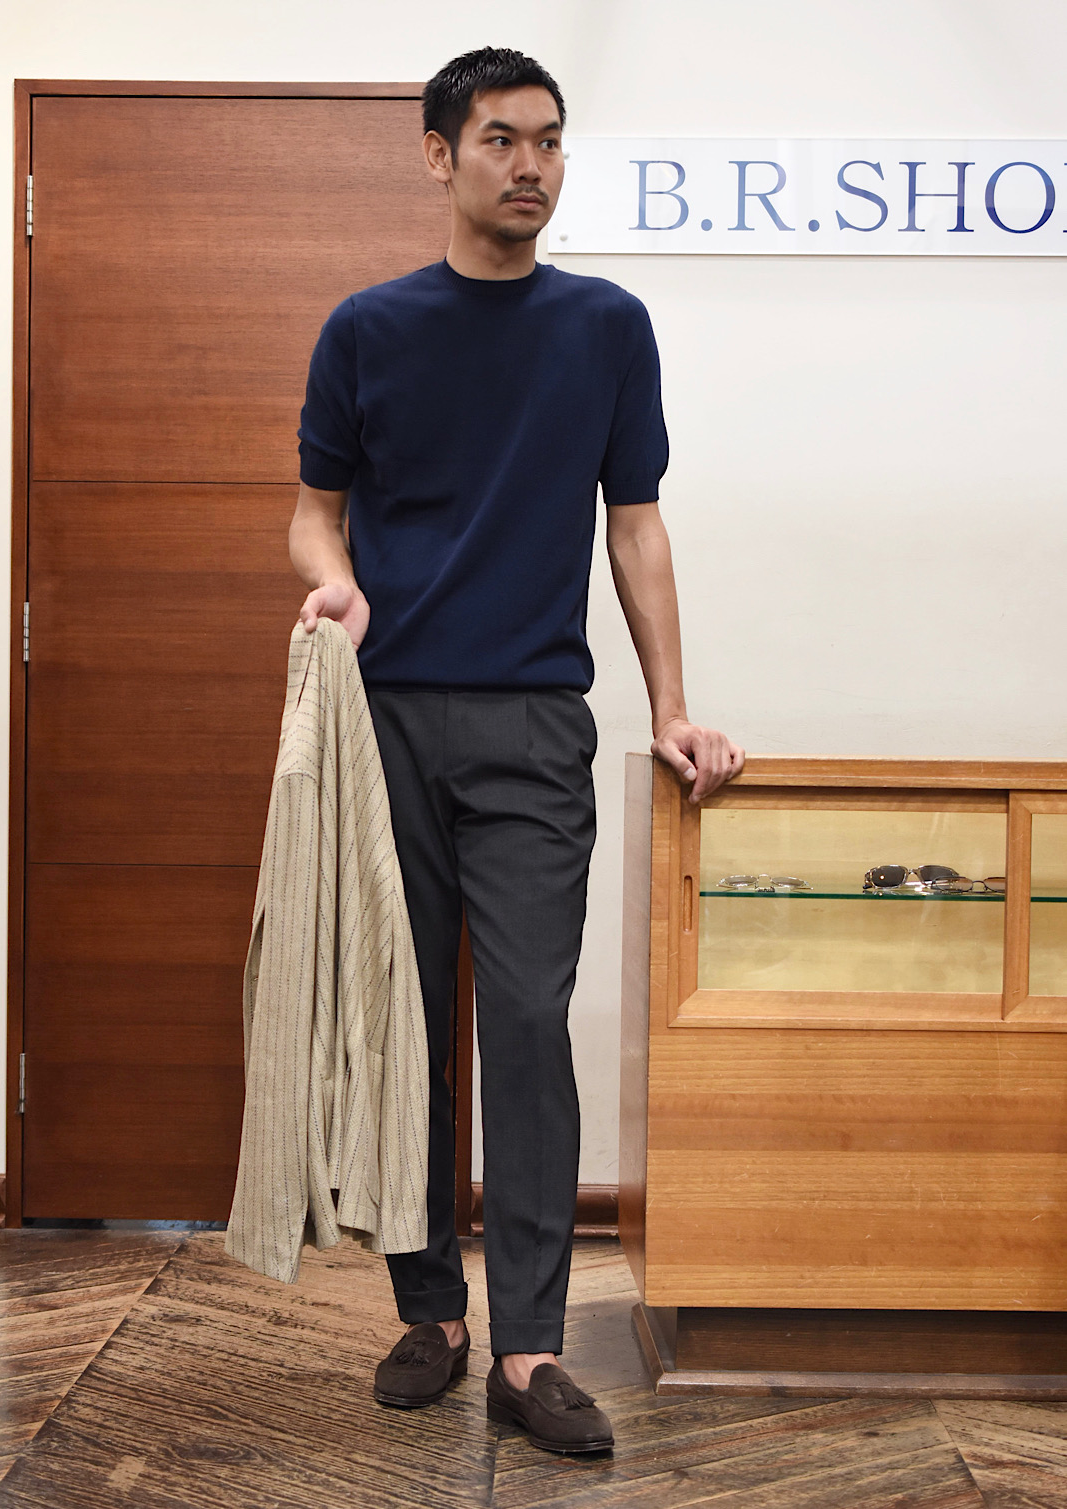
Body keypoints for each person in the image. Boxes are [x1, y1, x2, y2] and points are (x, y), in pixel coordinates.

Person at [289, 46, 744, 1455]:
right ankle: (429, 1310)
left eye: (548, 140)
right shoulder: (367, 328)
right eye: (500, 139)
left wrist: (672, 705)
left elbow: (636, 525)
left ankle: (531, 1343)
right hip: (388, 718)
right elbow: (314, 511)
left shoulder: (606, 327)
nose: (530, 164)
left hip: (537, 723)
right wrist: (336, 584)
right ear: (441, 155)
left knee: (530, 1022)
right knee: (409, 1023)